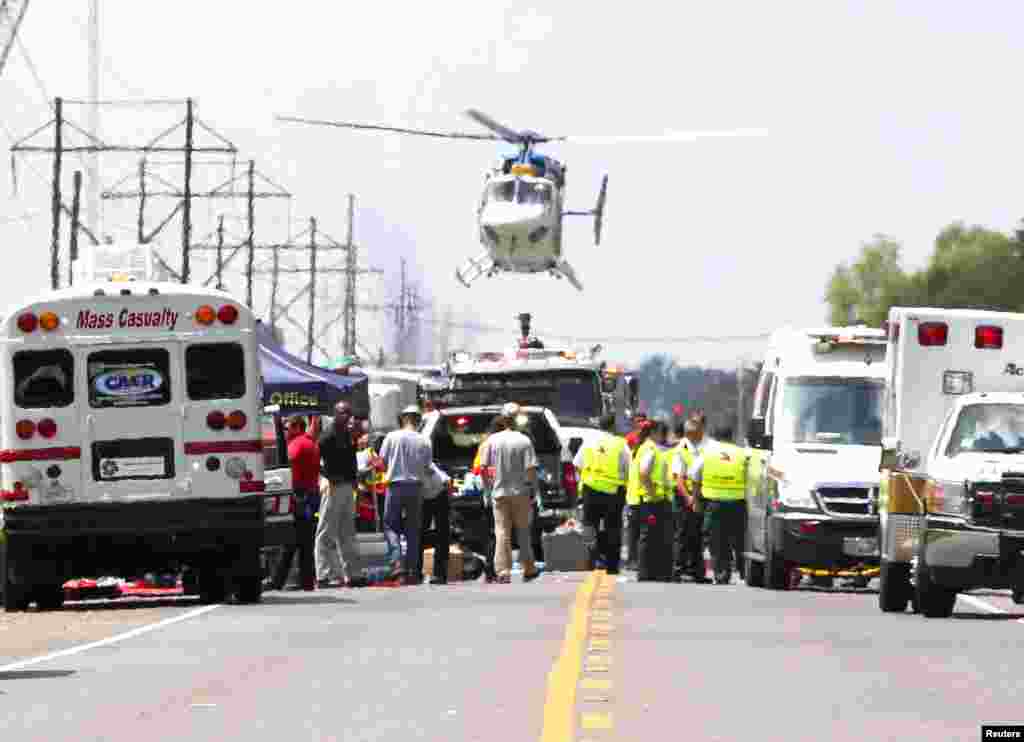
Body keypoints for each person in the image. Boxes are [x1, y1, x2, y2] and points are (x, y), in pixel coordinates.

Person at [483, 410, 541, 584]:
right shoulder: (524, 440)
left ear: (502, 421)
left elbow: (484, 468)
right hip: (521, 493)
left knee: (502, 532)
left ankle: (503, 571)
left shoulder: (491, 440)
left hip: (499, 494)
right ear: (516, 421)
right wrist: (536, 491)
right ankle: (529, 569)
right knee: (523, 531)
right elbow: (531, 469)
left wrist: (488, 490)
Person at [315, 401, 368, 588]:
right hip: (332, 486)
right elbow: (317, 460)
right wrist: (325, 478)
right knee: (326, 532)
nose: (347, 416)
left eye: (349, 413)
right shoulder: (327, 435)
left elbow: (351, 460)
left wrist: (355, 481)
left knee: (348, 533)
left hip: (347, 487)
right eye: (343, 413)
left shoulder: (347, 435)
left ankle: (353, 574)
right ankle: (324, 575)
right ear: (335, 414)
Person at [379, 405, 433, 585]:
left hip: (395, 486)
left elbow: (382, 463)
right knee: (413, 529)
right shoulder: (424, 440)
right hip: (416, 487)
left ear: (403, 418)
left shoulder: (391, 437)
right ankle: (412, 569)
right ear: (418, 421)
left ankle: (397, 565)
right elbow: (427, 467)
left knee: (390, 525)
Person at [691, 426, 749, 584]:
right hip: (738, 504)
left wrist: (695, 500)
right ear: (732, 436)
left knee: (717, 541)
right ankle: (746, 574)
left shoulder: (707, 453)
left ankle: (722, 575)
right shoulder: (742, 453)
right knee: (739, 540)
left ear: (715, 437)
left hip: (714, 504)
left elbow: (694, 476)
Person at [574, 413, 630, 574]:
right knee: (613, 527)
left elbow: (577, 464)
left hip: (590, 490)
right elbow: (629, 468)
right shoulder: (621, 444)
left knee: (591, 525)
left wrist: (586, 478)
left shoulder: (589, 442)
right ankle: (612, 565)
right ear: (613, 426)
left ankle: (594, 559)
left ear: (599, 425)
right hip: (613, 492)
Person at [269, 415, 320, 591]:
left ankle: (280, 581)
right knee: (302, 542)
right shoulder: (309, 442)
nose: (286, 430)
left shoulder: (298, 443)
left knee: (293, 541)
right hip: (309, 495)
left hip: (300, 496)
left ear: (298, 427)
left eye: (289, 426)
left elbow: (284, 465)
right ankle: (302, 580)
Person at [626, 419, 673, 581]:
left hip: (649, 500)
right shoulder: (650, 449)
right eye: (661, 432)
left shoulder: (644, 447)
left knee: (650, 537)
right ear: (654, 433)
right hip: (652, 501)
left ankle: (650, 572)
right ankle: (647, 573)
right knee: (649, 538)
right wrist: (652, 492)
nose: (663, 436)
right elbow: (644, 473)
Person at [670, 419, 709, 583]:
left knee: (698, 535)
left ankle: (697, 572)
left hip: (699, 495)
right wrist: (689, 499)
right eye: (699, 432)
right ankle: (677, 571)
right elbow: (679, 480)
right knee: (682, 534)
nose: (702, 434)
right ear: (691, 434)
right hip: (684, 496)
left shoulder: (703, 447)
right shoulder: (681, 450)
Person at [474, 416, 507, 582]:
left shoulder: (484, 445)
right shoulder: (506, 443)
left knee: (493, 533)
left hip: (490, 493)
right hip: (504, 492)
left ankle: (491, 567)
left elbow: (478, 469)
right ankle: (495, 568)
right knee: (501, 533)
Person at [418, 461, 452, 585]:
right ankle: (417, 572)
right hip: (425, 497)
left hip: (439, 495)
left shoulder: (428, 464)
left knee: (442, 534)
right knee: (420, 533)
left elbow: (447, 482)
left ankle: (440, 574)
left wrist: (449, 501)